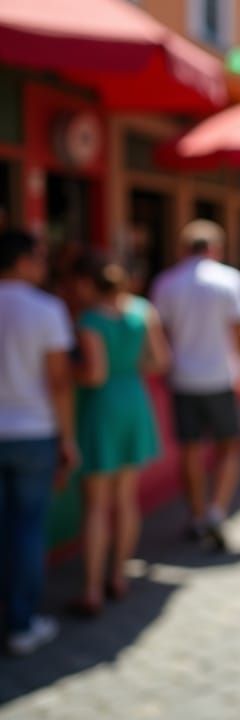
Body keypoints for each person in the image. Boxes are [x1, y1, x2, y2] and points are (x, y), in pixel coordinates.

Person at [68, 254, 169, 615]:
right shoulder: (143, 311)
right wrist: (129, 367)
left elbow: (93, 374)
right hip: (134, 400)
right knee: (126, 498)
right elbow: (160, 361)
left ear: (88, 284)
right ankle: (120, 577)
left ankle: (93, 589)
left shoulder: (90, 319)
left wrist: (68, 372)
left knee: (97, 503)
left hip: (103, 406)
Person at [151, 220, 240, 551]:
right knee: (230, 446)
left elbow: (159, 335)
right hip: (222, 377)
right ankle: (216, 510)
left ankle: (198, 515)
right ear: (216, 248)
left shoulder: (166, 282)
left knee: (191, 449)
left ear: (184, 248)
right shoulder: (229, 279)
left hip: (183, 379)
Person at [0, 228, 77, 655]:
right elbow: (59, 382)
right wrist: (68, 439)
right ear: (25, 260)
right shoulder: (46, 309)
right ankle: (21, 623)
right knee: (28, 530)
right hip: (32, 434)